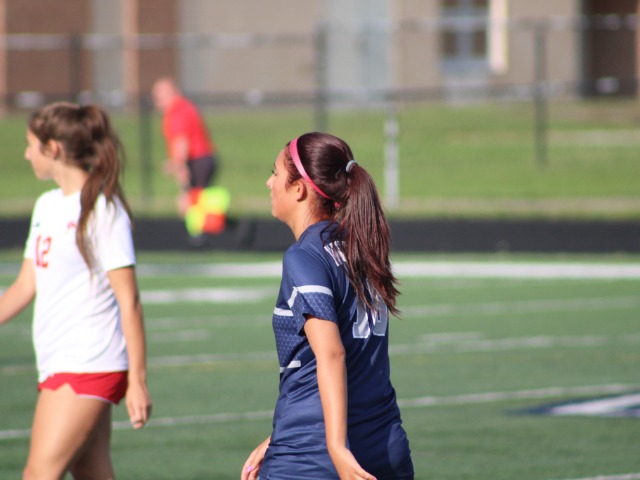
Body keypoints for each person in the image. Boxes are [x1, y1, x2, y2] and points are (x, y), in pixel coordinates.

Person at [241, 132, 414, 480]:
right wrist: (278, 436)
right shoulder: (360, 247)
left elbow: (331, 353)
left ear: (298, 189)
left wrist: (336, 447)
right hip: (385, 445)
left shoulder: (304, 256)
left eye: (275, 173)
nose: (269, 182)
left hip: (314, 456)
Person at [0, 102, 152, 479]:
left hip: (88, 363)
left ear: (52, 149)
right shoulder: (46, 205)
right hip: (59, 360)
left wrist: (137, 381)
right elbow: (25, 285)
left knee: (38, 474)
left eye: (30, 145)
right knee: (92, 473)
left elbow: (129, 300)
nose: (26, 154)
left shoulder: (103, 210)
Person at [151, 77, 219, 216]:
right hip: (203, 159)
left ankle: (202, 229)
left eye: (160, 95)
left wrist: (178, 164)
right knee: (197, 203)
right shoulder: (184, 106)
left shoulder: (176, 111)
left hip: (196, 161)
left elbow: (181, 141)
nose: (156, 99)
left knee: (189, 204)